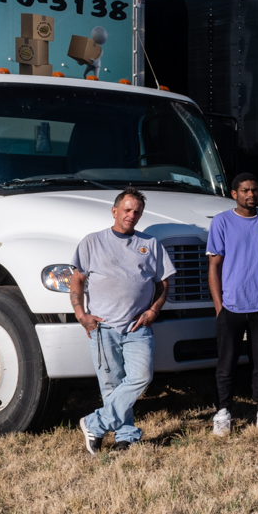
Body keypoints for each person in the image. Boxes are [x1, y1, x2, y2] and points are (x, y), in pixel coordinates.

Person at [72, 190, 174, 454]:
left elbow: (163, 283)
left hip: (137, 326)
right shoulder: (92, 242)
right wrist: (81, 315)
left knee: (141, 377)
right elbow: (77, 280)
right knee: (111, 385)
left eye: (137, 211)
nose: (132, 215)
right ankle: (125, 437)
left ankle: (94, 423)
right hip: (102, 326)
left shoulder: (150, 244)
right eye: (127, 210)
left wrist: (154, 311)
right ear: (114, 211)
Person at [207, 171, 258, 436]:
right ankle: (223, 413)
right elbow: (214, 266)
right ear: (234, 194)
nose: (251, 194)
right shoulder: (222, 221)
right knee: (227, 362)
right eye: (245, 190)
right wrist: (219, 306)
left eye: (254, 189)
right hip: (231, 306)